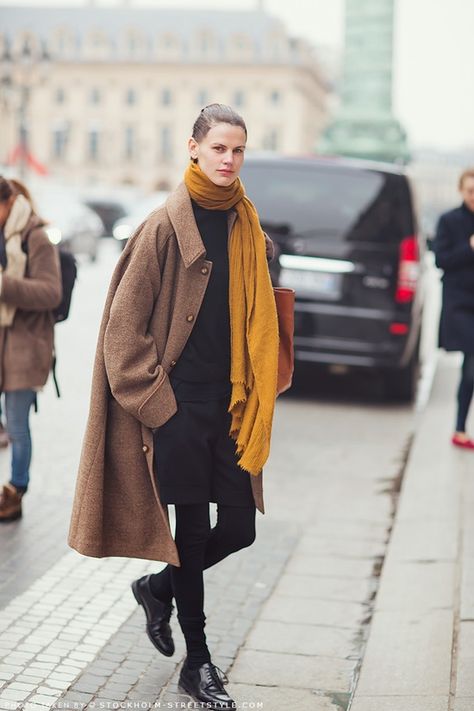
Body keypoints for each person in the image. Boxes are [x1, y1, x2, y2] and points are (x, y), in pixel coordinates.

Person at [68, 104, 278, 709]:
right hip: (180, 407)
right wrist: (163, 408)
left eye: (238, 150)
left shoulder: (248, 227)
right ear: (193, 148)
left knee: (238, 529)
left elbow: (258, 316)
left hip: (233, 407)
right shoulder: (163, 227)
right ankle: (199, 661)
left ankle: (158, 589)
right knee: (189, 531)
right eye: (218, 148)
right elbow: (120, 335)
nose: (228, 160)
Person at [0, 177, 62, 521]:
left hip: (26, 346)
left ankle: (15, 491)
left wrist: (3, 285)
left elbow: (50, 292)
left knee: (18, 425)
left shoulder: (35, 237)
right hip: (2, 343)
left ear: (7, 203)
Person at [434, 167, 474, 449]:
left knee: (470, 368)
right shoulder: (448, 221)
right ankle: (459, 429)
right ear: (461, 190)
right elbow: (441, 260)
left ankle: (460, 428)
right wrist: (469, 247)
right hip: (460, 305)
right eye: (470, 191)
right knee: (471, 364)